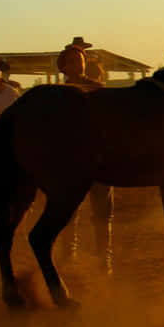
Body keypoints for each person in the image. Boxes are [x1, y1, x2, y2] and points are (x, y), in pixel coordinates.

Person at [57, 41, 114, 271]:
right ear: (63, 67)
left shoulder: (99, 89)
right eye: (71, 61)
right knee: (68, 210)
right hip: (69, 159)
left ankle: (104, 256)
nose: (76, 64)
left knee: (102, 210)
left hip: (97, 156)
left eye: (79, 60)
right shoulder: (57, 94)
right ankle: (68, 254)